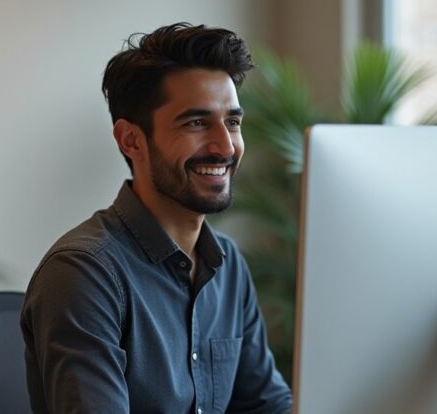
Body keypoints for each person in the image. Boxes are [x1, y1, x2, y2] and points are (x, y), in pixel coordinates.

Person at [21, 23, 292, 413]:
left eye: (232, 122)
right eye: (197, 123)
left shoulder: (228, 265)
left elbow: (267, 406)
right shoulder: (84, 274)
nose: (225, 146)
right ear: (131, 140)